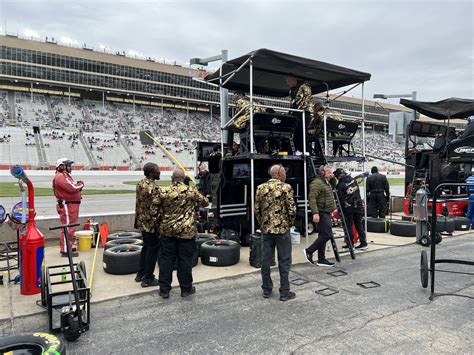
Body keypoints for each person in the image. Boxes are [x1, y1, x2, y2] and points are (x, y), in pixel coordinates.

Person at [156, 169, 209, 298]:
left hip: (167, 231)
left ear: (172, 178)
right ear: (184, 178)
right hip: (186, 232)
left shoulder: (163, 191)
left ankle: (164, 290)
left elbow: (155, 209)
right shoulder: (190, 191)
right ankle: (186, 289)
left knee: (166, 261)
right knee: (185, 261)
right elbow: (205, 202)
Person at [255, 164, 297, 301]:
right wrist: (289, 223)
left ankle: (266, 289)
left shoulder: (260, 188)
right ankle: (284, 292)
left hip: (266, 230)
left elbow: (257, 210)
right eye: (284, 172)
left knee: (266, 261)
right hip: (282, 230)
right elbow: (292, 210)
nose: (285, 174)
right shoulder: (286, 188)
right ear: (279, 174)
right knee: (284, 261)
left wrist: (263, 223)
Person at [134, 162, 161, 287]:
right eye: (157, 170)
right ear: (151, 172)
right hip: (151, 224)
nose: (159, 172)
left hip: (142, 222)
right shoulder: (153, 188)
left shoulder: (140, 183)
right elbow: (156, 207)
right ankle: (148, 278)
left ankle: (140, 274)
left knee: (146, 248)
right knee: (152, 250)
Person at [304, 165, 337, 267]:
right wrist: (315, 213)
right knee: (327, 234)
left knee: (323, 235)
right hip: (322, 212)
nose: (330, 174)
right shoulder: (317, 183)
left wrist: (332, 177)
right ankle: (309, 251)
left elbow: (334, 185)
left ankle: (321, 259)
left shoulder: (326, 182)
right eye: (328, 172)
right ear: (322, 173)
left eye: (331, 172)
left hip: (326, 211)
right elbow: (312, 198)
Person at [52, 158, 84, 257]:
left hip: (70, 205)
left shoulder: (64, 176)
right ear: (62, 166)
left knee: (70, 227)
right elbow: (72, 188)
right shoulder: (60, 176)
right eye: (68, 165)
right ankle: (66, 250)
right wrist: (81, 184)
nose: (70, 167)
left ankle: (67, 247)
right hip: (67, 205)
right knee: (68, 227)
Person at [334, 168, 368, 250]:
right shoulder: (353, 180)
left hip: (348, 207)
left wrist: (339, 210)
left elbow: (340, 200)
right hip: (359, 205)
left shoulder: (340, 185)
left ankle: (350, 245)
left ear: (338, 176)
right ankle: (363, 243)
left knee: (348, 226)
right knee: (359, 225)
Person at [286, 77, 319, 154]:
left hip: (303, 111)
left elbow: (307, 99)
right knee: (296, 131)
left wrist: (300, 108)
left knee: (302, 130)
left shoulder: (304, 86)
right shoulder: (292, 90)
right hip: (295, 111)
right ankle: (298, 149)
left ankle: (305, 150)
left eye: (288, 82)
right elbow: (292, 102)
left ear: (293, 80)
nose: (288, 84)